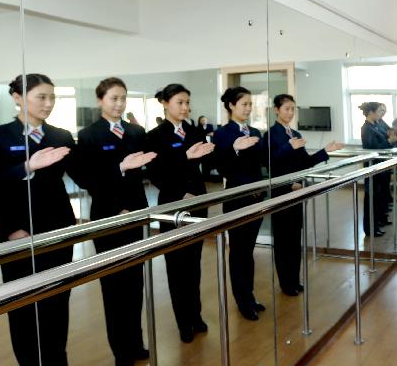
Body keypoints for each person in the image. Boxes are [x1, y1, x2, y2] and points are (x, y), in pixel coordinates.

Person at [0, 73, 81, 366]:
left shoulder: (60, 134)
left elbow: (85, 173)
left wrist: (122, 166)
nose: (48, 104)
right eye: (41, 97)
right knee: (26, 308)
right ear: (17, 97)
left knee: (57, 300)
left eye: (52, 97)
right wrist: (10, 228)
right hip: (19, 233)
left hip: (59, 231)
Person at [74, 77, 157, 366]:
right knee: (113, 285)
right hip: (107, 216)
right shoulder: (88, 135)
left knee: (135, 282)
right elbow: (86, 178)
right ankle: (120, 350)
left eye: (122, 98)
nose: (119, 103)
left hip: (136, 214)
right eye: (113, 98)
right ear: (100, 101)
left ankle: (136, 343)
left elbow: (147, 169)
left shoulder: (136, 132)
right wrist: (119, 168)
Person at [144, 84, 215, 343]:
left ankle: (195, 316)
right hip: (172, 205)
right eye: (179, 103)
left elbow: (203, 166)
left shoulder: (196, 131)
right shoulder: (154, 136)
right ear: (164, 103)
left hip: (197, 202)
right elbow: (156, 173)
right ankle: (183, 322)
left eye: (187, 103)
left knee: (194, 263)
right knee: (176, 265)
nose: (185, 108)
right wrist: (181, 188)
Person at [263, 94, 343, 295]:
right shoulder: (271, 134)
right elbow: (270, 163)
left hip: (298, 192)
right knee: (282, 241)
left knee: (294, 238)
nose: (290, 113)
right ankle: (285, 283)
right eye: (286, 109)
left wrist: (326, 150)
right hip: (282, 193)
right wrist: (288, 147)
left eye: (292, 109)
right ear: (276, 110)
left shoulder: (295, 133)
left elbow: (305, 163)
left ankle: (294, 279)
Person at [212, 87, 268, 320]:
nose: (248, 108)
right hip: (237, 199)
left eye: (250, 104)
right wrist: (234, 148)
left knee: (249, 250)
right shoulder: (223, 133)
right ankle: (242, 300)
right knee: (238, 251)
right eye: (244, 104)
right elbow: (221, 166)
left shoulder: (255, 131)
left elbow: (261, 163)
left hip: (256, 197)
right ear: (231, 106)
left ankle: (250, 295)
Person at [360, 101, 392, 236]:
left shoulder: (376, 125)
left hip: (380, 166)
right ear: (371, 113)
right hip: (372, 167)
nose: (381, 114)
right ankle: (370, 229)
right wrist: (389, 141)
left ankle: (377, 222)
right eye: (379, 111)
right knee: (371, 199)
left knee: (378, 197)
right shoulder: (366, 128)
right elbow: (372, 148)